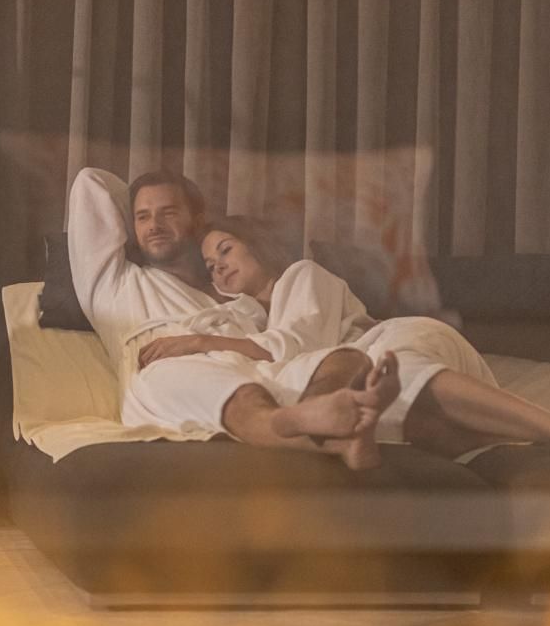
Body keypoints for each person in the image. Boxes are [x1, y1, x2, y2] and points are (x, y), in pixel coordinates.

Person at [144, 217, 550, 459]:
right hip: (367, 390)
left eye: (226, 250)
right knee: (418, 427)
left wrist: (202, 345)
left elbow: (298, 346)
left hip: (397, 342)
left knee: (397, 368)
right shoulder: (242, 319)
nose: (218, 266)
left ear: (256, 244)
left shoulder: (303, 276)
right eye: (210, 264)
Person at [65, 167, 400, 469]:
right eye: (142, 217)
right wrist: (137, 207)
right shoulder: (116, 284)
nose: (154, 225)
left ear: (197, 221)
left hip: (260, 370)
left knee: (345, 358)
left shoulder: (236, 296)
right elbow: (90, 183)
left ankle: (330, 430)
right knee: (207, 384)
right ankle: (308, 427)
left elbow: (289, 342)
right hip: (173, 379)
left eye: (169, 212)